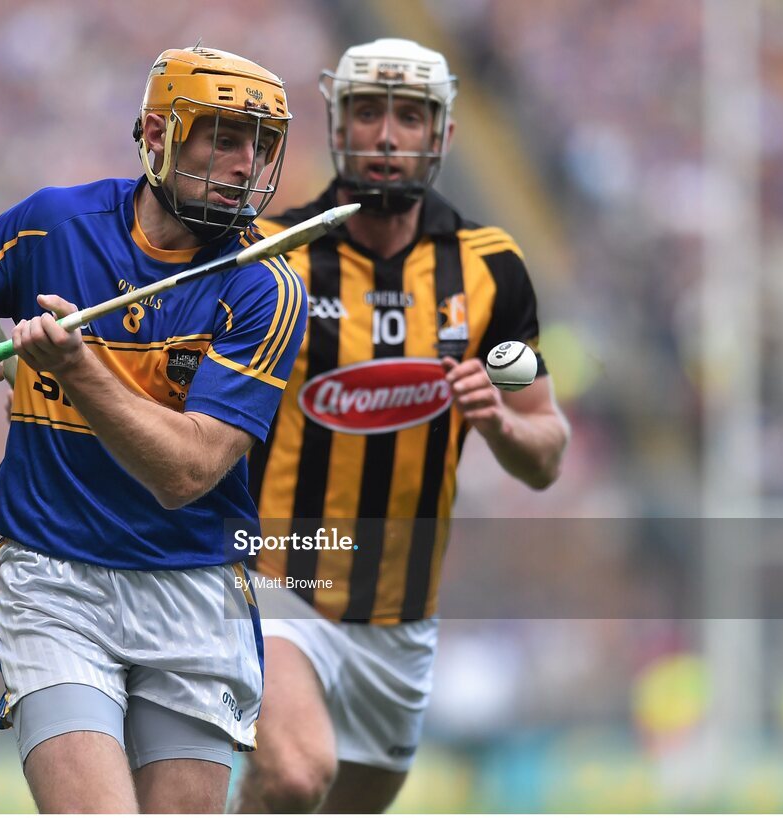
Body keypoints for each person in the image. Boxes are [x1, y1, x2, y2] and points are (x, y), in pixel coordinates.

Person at [0, 44, 304, 814]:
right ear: (155, 135)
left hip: (193, 589)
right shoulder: (52, 225)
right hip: (53, 581)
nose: (245, 164)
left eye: (261, 146)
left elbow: (187, 473)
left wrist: (81, 370)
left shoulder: (267, 285)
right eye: (223, 137)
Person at [233, 38, 570, 813]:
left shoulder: (491, 272)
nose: (387, 134)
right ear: (335, 122)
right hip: (275, 579)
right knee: (292, 774)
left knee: (349, 803)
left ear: (442, 134)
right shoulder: (269, 258)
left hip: (401, 613)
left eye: (410, 116)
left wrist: (498, 423)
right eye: (367, 111)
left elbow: (544, 441)